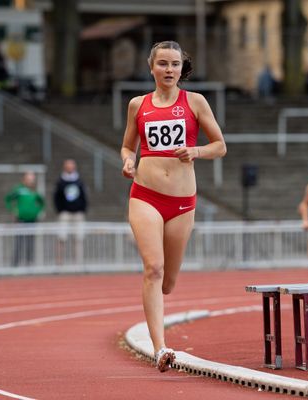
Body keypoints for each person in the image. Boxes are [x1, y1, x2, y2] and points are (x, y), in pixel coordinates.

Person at [120, 41, 226, 372]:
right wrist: (128, 162)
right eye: (163, 63)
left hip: (182, 202)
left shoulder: (195, 102)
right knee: (153, 268)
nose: (169, 69)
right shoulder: (138, 105)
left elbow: (221, 145)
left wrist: (196, 152)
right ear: (151, 67)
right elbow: (127, 146)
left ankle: (162, 303)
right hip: (145, 195)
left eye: (175, 64)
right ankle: (160, 348)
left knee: (168, 282)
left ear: (182, 68)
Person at [5, 171, 44, 266]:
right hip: (20, 219)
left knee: (30, 242)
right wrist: (13, 210)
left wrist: (37, 211)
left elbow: (42, 202)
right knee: (19, 242)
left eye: (32, 179)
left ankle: (29, 262)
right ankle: (15, 263)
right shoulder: (19, 189)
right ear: (24, 179)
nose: (31, 181)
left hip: (32, 219)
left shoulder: (34, 191)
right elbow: (8, 199)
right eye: (29, 179)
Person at [54, 159, 88, 265]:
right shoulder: (60, 181)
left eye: (72, 166)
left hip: (78, 213)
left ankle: (78, 262)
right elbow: (56, 197)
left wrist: (82, 209)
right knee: (61, 237)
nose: (70, 168)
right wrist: (60, 209)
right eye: (68, 166)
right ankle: (59, 261)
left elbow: (84, 196)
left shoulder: (79, 181)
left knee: (78, 238)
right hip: (65, 213)